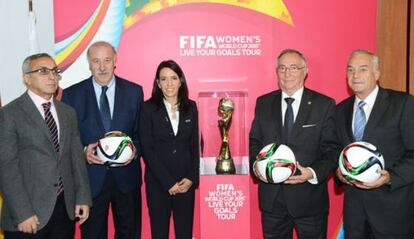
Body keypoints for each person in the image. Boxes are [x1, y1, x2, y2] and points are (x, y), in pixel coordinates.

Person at [0, 53, 92, 238]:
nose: (52, 76)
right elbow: (6, 167)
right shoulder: (10, 114)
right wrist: (22, 212)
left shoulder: (67, 112)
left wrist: (82, 197)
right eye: (43, 71)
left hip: (64, 210)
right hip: (27, 216)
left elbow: (75, 158)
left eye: (55, 71)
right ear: (27, 78)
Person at [249, 49, 338, 239]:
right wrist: (257, 167)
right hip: (272, 202)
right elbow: (254, 142)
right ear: (276, 72)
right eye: (282, 68)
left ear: (305, 71)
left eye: (293, 68)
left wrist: (311, 173)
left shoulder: (324, 104)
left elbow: (331, 150)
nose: (287, 73)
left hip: (309, 200)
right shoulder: (263, 103)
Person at [61, 41, 143, 239]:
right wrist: (83, 153)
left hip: (126, 179)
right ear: (89, 63)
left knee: (129, 233)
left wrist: (131, 152)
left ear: (115, 61)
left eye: (107, 60)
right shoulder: (71, 95)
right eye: (96, 61)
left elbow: (141, 135)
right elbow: (65, 140)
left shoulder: (134, 92)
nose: (102, 66)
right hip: (90, 181)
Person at [335, 49, 414, 239]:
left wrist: (390, 177)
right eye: (351, 70)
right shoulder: (340, 110)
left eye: (363, 69)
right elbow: (336, 151)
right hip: (355, 217)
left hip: (393, 213)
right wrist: (339, 172)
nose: (355, 75)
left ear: (377, 73)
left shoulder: (403, 103)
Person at [139, 60, 199, 239]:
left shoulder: (192, 107)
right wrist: (168, 182)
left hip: (185, 184)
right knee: (159, 233)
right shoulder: (147, 108)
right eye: (164, 79)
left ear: (181, 80)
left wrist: (191, 177)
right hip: (158, 184)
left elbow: (196, 145)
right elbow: (147, 148)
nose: (169, 83)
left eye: (173, 78)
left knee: (184, 233)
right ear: (157, 83)